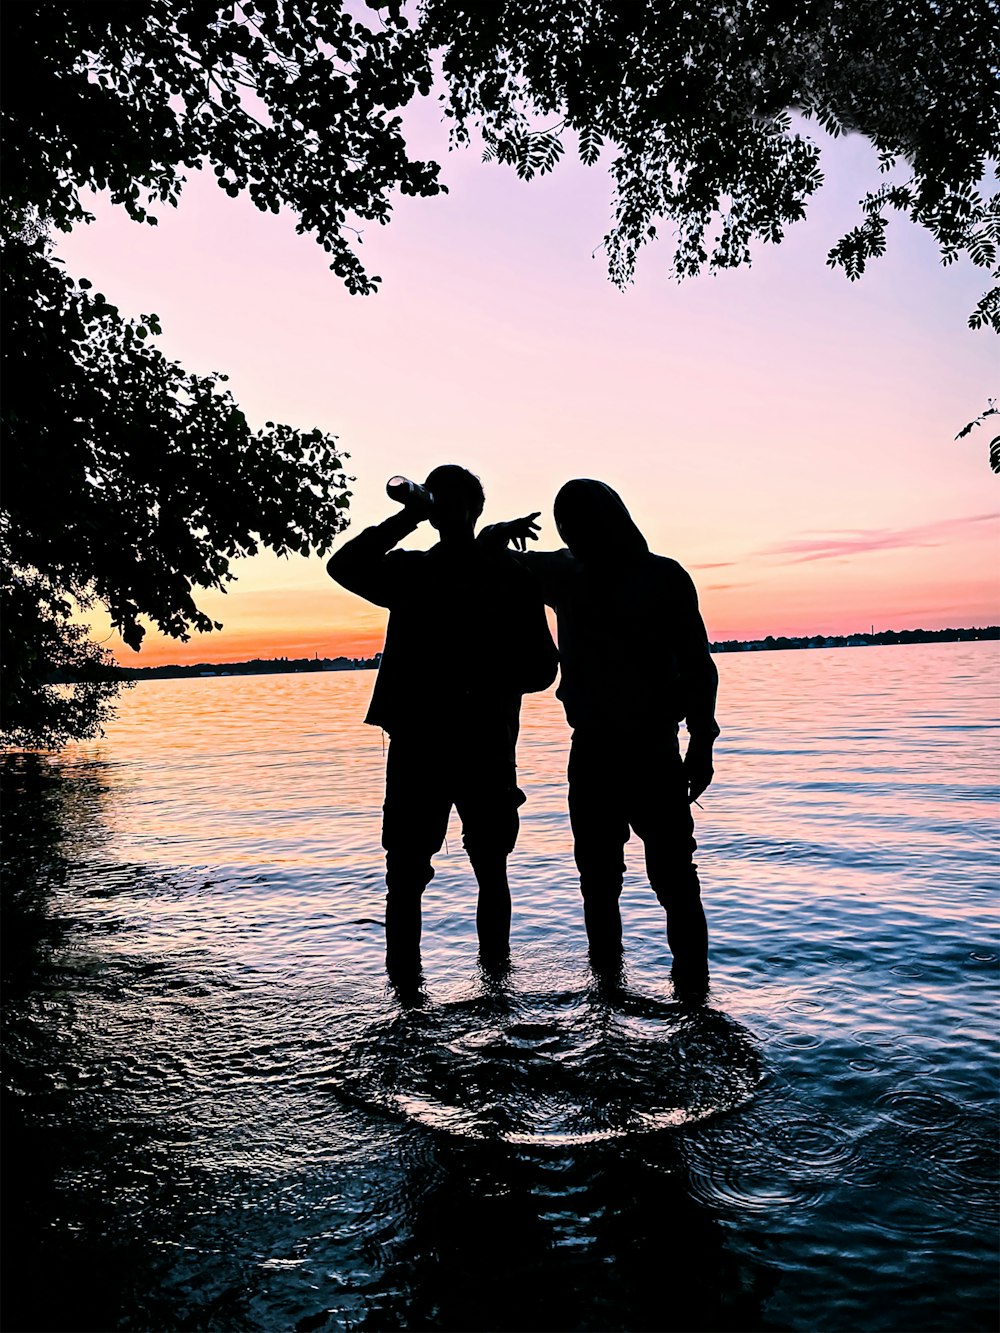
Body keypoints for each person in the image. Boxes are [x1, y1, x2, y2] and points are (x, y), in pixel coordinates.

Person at [483, 479, 719, 996]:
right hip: (592, 751)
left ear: (608, 519)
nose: (569, 532)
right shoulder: (566, 572)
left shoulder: (661, 576)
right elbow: (490, 555)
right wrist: (504, 531)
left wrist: (702, 743)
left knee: (674, 881)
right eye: (562, 524)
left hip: (654, 748)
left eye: (576, 522)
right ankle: (609, 992)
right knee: (600, 884)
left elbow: (699, 668)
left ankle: (691, 995)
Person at [327, 465, 558, 980]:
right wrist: (409, 515)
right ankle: (428, 992)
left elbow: (543, 668)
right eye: (440, 501)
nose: (447, 510)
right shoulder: (416, 573)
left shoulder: (498, 575)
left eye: (449, 501)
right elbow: (343, 566)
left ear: (473, 509)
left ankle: (467, 989)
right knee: (415, 875)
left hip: (471, 745)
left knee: (468, 872)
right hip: (435, 746)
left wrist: (484, 679)